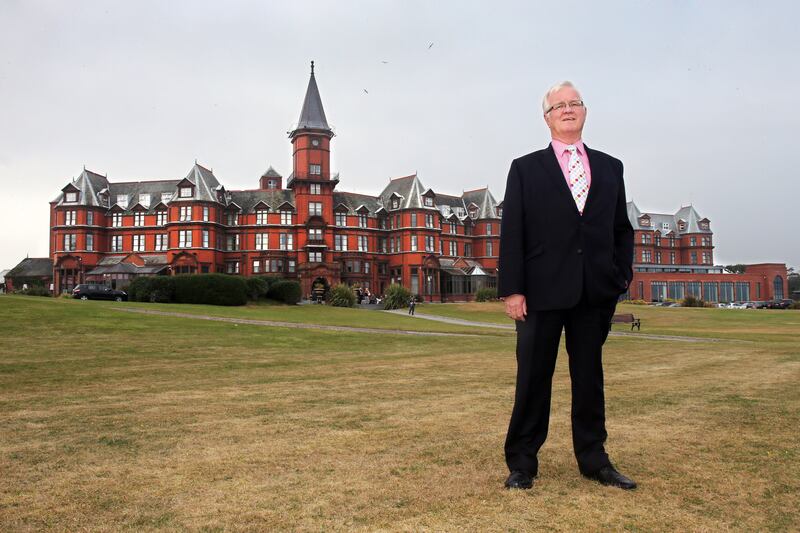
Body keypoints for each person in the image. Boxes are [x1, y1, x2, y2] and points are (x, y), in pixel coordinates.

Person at [497, 81, 635, 490]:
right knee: (533, 378)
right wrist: (513, 289)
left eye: (574, 103)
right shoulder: (525, 168)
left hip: (594, 292)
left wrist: (619, 276)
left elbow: (620, 229)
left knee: (589, 378)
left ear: (585, 111)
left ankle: (594, 459)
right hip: (539, 292)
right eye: (559, 105)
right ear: (547, 117)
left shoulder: (611, 167)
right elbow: (512, 231)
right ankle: (522, 462)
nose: (568, 109)